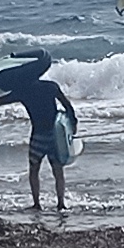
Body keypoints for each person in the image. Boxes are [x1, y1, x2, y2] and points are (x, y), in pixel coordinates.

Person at [16, 67, 80, 215]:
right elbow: (67, 105)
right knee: (57, 170)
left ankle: (37, 204)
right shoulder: (50, 87)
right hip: (54, 135)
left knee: (34, 169)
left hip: (38, 135)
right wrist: (73, 123)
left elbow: (2, 98)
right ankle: (61, 204)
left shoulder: (23, 92)